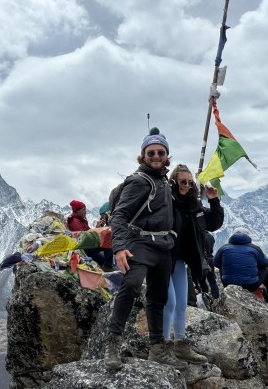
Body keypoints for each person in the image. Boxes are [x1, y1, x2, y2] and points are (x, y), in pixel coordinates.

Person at [104, 127, 186, 371]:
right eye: (151, 152)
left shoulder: (164, 182)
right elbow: (119, 216)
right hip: (140, 244)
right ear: (143, 156)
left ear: (167, 155)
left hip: (163, 247)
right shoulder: (140, 181)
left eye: (161, 151)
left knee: (158, 298)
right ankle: (112, 344)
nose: (156, 155)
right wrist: (119, 248)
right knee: (130, 286)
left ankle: (157, 349)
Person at [162, 164, 224, 364]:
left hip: (180, 260)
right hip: (162, 258)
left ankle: (180, 344)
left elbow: (213, 223)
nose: (187, 185)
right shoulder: (165, 202)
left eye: (190, 182)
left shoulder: (193, 205)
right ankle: (162, 347)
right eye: (183, 181)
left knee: (181, 304)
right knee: (169, 302)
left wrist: (214, 201)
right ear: (173, 182)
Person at [214, 227, 268, 307]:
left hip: (228, 283)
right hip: (250, 285)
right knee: (266, 270)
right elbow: (264, 264)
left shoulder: (224, 248)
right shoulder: (254, 248)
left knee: (223, 266)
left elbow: (216, 263)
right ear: (247, 237)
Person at [66, 200, 113, 270]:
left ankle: (105, 267)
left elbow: (88, 232)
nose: (85, 211)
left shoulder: (81, 220)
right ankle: (108, 268)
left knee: (103, 260)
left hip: (87, 246)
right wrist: (98, 230)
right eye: (83, 209)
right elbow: (83, 236)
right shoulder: (74, 221)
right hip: (83, 248)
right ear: (77, 211)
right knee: (107, 244)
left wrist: (97, 228)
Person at [197, 231, 220, 300]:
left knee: (202, 281)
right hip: (210, 259)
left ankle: (205, 298)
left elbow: (202, 251)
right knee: (212, 281)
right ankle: (217, 298)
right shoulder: (211, 237)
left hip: (202, 260)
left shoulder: (200, 236)